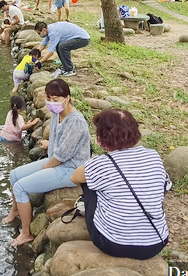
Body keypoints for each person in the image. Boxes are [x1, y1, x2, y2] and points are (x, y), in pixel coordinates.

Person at [71, 109, 170, 259]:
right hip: (155, 243)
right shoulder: (153, 156)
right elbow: (165, 187)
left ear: (101, 139)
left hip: (113, 243)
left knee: (88, 182)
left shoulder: (101, 164)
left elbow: (75, 177)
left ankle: (94, 212)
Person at [3, 79, 90, 245]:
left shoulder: (76, 121)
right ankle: (15, 210)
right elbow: (62, 143)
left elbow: (64, 154)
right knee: (14, 175)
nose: (51, 103)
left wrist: (46, 166)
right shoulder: (58, 114)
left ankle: (26, 233)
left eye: (55, 99)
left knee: (21, 188)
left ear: (68, 98)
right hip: (55, 160)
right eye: (49, 98)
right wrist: (49, 145)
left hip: (70, 168)